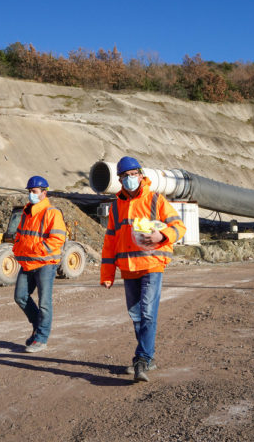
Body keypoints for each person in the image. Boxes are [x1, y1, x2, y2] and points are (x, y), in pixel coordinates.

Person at [101, 156, 186, 382]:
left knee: (148, 312)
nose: (130, 179)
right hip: (128, 268)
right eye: (125, 176)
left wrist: (162, 235)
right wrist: (107, 274)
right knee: (136, 315)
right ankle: (148, 358)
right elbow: (110, 241)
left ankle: (142, 358)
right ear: (120, 180)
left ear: (140, 175)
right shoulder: (117, 207)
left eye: (133, 175)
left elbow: (179, 226)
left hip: (152, 265)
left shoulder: (155, 200)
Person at [13, 176, 67, 353]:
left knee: (44, 302)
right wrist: (17, 249)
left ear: (44, 193)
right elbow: (20, 235)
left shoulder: (52, 212)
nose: (31, 195)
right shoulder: (27, 212)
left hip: (45, 263)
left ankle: (41, 338)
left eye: (34, 192)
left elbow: (58, 238)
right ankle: (38, 326)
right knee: (20, 296)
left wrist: (37, 250)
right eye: (29, 191)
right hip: (28, 261)